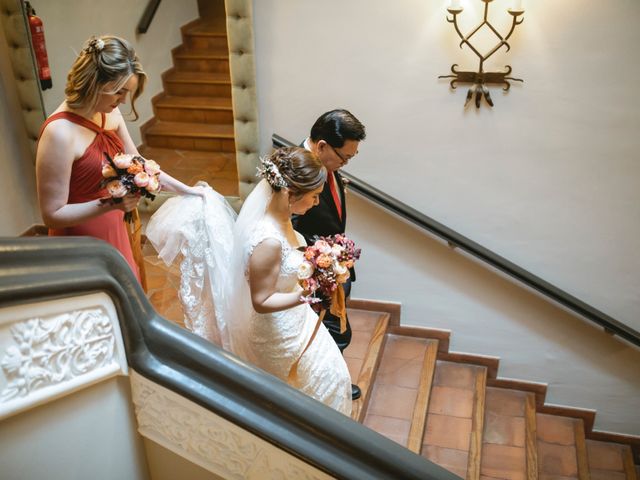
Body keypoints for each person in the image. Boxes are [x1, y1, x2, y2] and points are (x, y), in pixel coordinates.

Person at [36, 35, 202, 282]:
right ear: (94, 83)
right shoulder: (59, 134)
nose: (124, 100)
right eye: (119, 92)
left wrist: (186, 190)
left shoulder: (108, 112)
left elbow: (138, 163)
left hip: (116, 224)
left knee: (125, 288)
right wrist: (111, 204)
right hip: (82, 238)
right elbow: (51, 214)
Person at [292, 109, 366, 401]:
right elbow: (290, 227)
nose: (345, 163)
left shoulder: (327, 167)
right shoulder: (296, 172)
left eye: (351, 157)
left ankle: (332, 381)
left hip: (334, 268)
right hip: (316, 274)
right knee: (331, 333)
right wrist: (324, 260)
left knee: (337, 329)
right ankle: (328, 386)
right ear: (321, 146)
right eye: (344, 157)